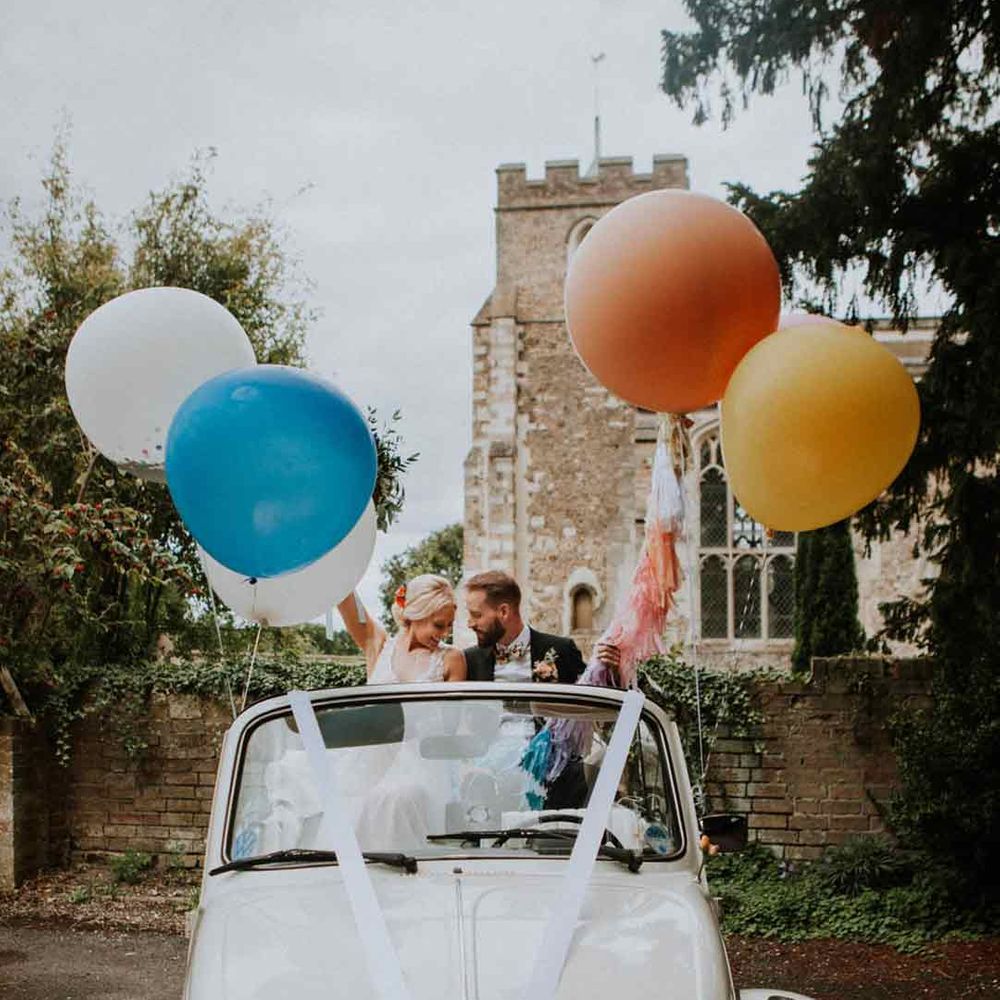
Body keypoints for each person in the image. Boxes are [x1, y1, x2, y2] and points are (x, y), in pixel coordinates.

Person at [462, 570, 620, 683]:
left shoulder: (563, 650)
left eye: (476, 615)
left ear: (504, 611)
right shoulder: (468, 660)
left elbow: (593, 703)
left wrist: (613, 670)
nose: (470, 623)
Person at [338, 574, 467, 684]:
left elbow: (454, 713)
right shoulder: (378, 644)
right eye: (438, 625)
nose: (445, 634)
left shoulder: (451, 659)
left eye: (450, 625)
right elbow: (341, 589)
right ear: (417, 614)